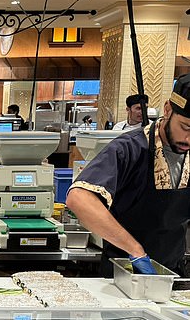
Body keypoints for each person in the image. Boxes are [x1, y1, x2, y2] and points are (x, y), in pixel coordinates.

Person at [66, 75, 190, 278]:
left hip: (173, 274)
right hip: (124, 273)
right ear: (167, 110)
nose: (188, 139)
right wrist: (135, 250)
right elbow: (79, 198)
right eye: (185, 127)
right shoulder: (129, 149)